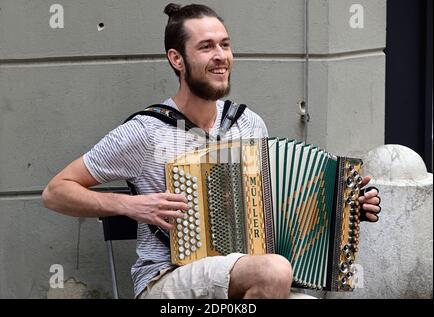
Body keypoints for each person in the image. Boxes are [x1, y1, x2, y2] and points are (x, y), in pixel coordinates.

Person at [42, 3, 381, 299]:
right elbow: (56, 192)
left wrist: (346, 209)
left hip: (246, 275)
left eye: (225, 44)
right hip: (166, 279)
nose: (221, 56)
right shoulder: (146, 132)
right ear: (177, 59)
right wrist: (131, 205)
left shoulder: (247, 124)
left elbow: (279, 209)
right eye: (206, 47)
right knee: (275, 272)